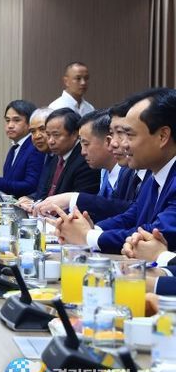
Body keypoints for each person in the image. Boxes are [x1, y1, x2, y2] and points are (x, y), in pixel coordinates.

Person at [54, 88, 176, 253]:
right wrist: (90, 229)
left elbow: (156, 232)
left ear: (162, 136)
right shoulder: (154, 176)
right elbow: (131, 217)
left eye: (129, 135)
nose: (122, 144)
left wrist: (88, 236)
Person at [33, 109, 133, 222]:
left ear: (108, 141)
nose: (82, 152)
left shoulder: (130, 173)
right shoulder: (104, 171)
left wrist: (73, 198)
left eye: (86, 144)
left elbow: (129, 212)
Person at [0, 100, 44, 198]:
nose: (10, 125)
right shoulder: (15, 147)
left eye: (16, 120)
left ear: (30, 123)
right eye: (7, 120)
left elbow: (30, 186)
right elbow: (10, 182)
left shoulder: (35, 147)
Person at [32, 107, 100, 201]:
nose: (50, 141)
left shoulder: (86, 159)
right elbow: (46, 191)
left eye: (56, 135)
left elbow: (78, 201)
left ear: (75, 134)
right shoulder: (57, 155)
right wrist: (32, 201)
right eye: (48, 135)